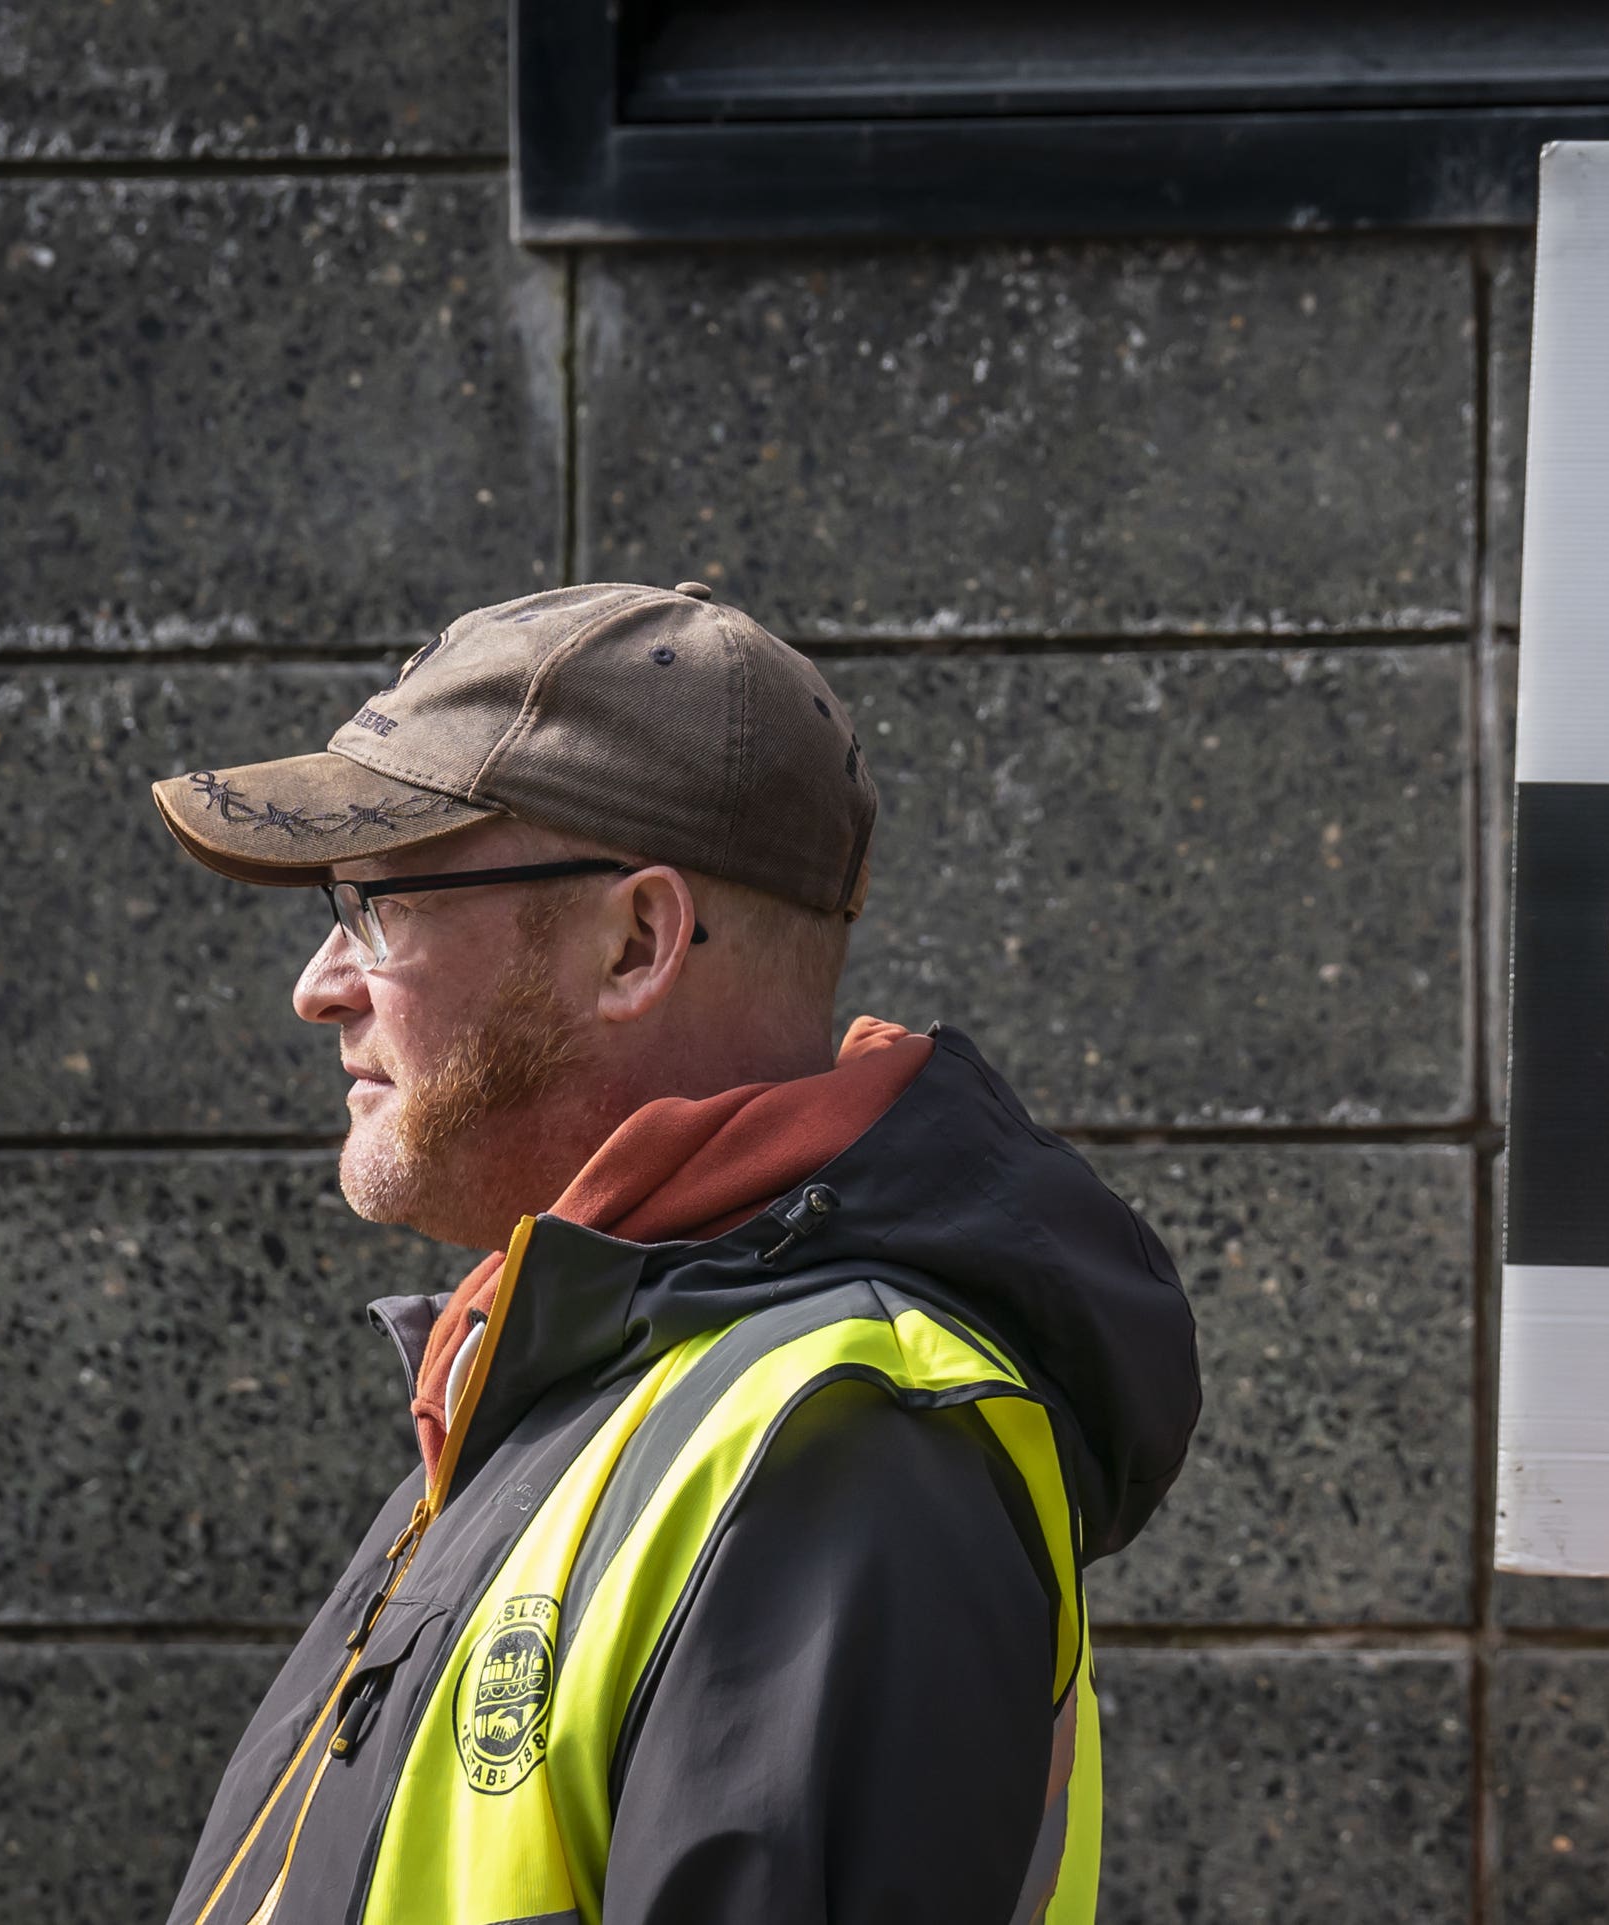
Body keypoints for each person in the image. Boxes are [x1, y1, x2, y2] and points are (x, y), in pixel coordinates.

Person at [146, 582, 1201, 1924]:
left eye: (376, 901)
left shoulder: (845, 1437)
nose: (317, 983)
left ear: (634, 939)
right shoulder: (596, 1371)